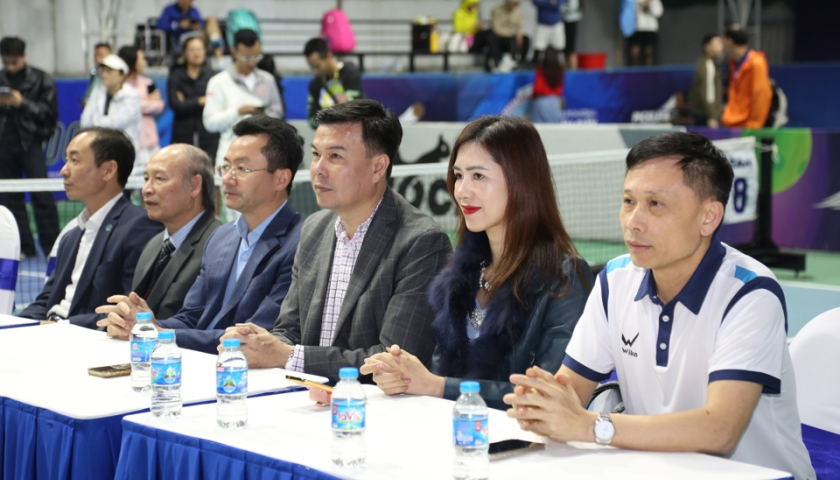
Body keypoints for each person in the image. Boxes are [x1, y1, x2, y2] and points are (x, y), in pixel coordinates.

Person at [504, 132, 816, 480]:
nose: (633, 221)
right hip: (658, 470)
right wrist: (544, 401)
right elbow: (571, 391)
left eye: (655, 204)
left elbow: (720, 431)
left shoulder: (750, 293)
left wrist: (592, 426)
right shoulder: (615, 280)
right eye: (628, 201)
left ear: (709, 217)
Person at [360, 116, 592, 410]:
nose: (462, 191)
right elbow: (440, 376)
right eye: (458, 176)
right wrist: (404, 377)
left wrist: (437, 386)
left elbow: (552, 397)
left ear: (521, 180)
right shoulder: (459, 276)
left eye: (478, 176)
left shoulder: (563, 276)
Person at [219, 100, 452, 384]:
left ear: (378, 167)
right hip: (305, 393)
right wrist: (259, 344)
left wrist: (287, 355)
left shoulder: (421, 242)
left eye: (335, 157)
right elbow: (289, 330)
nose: (318, 169)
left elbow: (394, 361)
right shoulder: (315, 228)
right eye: (316, 154)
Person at [96, 116, 303, 354]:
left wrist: (159, 333)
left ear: (281, 179)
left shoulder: (300, 243)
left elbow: (253, 337)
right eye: (226, 167)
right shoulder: (221, 237)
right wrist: (142, 325)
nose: (228, 178)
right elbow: (190, 317)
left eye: (242, 169)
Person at [18, 128, 163, 327]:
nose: (64, 170)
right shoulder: (71, 235)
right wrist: (17, 324)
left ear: (108, 170)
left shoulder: (140, 228)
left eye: (75, 160)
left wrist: (59, 327)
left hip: (83, 338)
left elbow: (128, 311)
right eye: (67, 160)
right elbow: (46, 300)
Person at [101, 144, 221, 320]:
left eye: (159, 178)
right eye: (146, 179)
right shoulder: (154, 244)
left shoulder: (219, 244)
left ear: (194, 185)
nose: (146, 189)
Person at [0, 36, 60, 258]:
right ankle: (23, 246)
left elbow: (49, 113)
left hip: (31, 145)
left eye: (14, 62)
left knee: (42, 196)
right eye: (6, 62)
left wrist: (21, 103)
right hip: (4, 147)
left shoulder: (41, 80)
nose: (10, 67)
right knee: (10, 200)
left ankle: (52, 247)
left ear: (24, 56)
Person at [203, 29, 284, 166]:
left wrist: (264, 116)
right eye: (246, 57)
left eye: (256, 56)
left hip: (263, 155)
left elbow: (278, 113)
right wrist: (237, 112)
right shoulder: (218, 82)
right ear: (234, 52)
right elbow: (210, 123)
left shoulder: (267, 79)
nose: (252, 62)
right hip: (229, 154)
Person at [168, 34, 219, 160]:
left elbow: (215, 103)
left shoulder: (213, 76)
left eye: (200, 49)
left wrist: (187, 101)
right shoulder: (176, 76)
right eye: (192, 49)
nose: (196, 53)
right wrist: (200, 101)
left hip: (208, 132)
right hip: (182, 131)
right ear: (184, 53)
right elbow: (176, 105)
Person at [118, 46, 165, 176]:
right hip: (129, 140)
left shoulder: (148, 83)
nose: (144, 62)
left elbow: (159, 105)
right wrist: (146, 101)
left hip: (150, 140)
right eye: (141, 59)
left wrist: (138, 103)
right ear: (131, 61)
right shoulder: (119, 85)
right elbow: (122, 107)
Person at [80, 54, 142, 151]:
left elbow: (116, 123)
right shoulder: (97, 92)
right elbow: (85, 120)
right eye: (103, 70)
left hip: (124, 149)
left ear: (122, 75)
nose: (104, 75)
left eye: (109, 71)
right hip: (99, 148)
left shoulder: (131, 95)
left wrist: (94, 123)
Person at [303, 37, 363, 129]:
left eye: (317, 66)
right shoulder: (315, 84)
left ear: (329, 56)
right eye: (311, 67)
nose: (315, 71)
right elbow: (311, 120)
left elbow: (355, 111)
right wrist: (339, 108)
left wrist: (325, 115)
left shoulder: (350, 74)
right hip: (326, 136)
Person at [721, 28, 772, 129]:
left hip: (748, 127)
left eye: (724, 40)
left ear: (729, 41)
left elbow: (761, 95)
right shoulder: (733, 63)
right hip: (733, 124)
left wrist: (755, 125)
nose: (722, 44)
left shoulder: (756, 63)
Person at [689, 34, 724, 128]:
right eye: (717, 44)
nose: (721, 47)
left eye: (721, 43)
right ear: (707, 47)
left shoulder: (706, 63)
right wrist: (712, 116)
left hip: (704, 115)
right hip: (706, 117)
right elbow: (708, 94)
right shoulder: (708, 65)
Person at [489, 0, 530, 72]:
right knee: (510, 40)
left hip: (511, 35)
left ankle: (522, 61)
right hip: (500, 36)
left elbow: (521, 25)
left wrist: (519, 35)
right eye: (513, 4)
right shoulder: (497, 10)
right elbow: (496, 28)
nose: (515, 6)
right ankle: (508, 61)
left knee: (526, 39)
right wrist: (512, 34)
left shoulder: (517, 11)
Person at [531, 46, 564, 123]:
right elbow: (560, 90)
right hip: (556, 103)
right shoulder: (560, 70)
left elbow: (537, 89)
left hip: (541, 102)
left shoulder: (540, 69)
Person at [627, 0, 663, 66]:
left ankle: (648, 70)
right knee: (634, 51)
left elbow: (658, 13)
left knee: (649, 52)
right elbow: (629, 11)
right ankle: (632, 70)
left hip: (650, 29)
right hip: (636, 28)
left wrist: (649, 3)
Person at [531, 0, 565, 65]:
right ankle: (537, 68)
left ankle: (558, 68)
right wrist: (550, 2)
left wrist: (544, 2)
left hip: (556, 24)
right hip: (542, 24)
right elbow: (536, 2)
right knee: (538, 48)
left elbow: (558, 5)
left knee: (559, 49)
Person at [561, 0, 582, 69]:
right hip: (566, 20)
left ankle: (573, 72)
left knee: (571, 49)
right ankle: (565, 71)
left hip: (571, 21)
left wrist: (558, 7)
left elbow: (572, 6)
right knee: (565, 50)